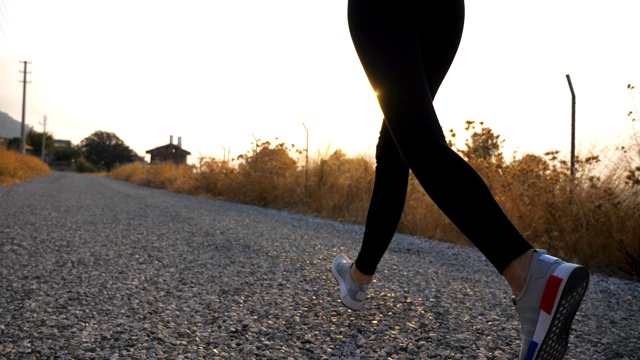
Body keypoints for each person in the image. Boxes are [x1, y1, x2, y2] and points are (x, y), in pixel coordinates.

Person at [330, 0, 590, 359]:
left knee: (417, 142)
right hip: (446, 12)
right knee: (398, 144)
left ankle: (529, 271)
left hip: (383, 9)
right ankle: (357, 280)